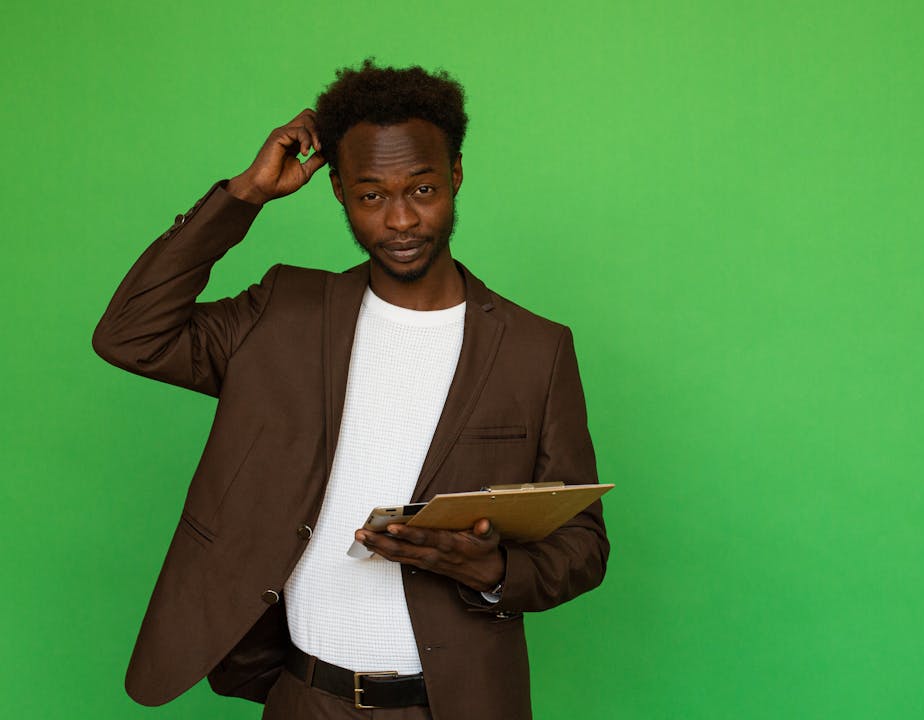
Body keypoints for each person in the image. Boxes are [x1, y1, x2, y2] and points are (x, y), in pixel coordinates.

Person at [92, 60, 609, 720]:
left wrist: (495, 571)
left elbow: (584, 544)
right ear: (337, 189)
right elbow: (130, 335)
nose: (400, 219)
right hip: (305, 699)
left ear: (455, 174)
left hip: (457, 705)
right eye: (372, 196)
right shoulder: (283, 313)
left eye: (422, 189)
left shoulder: (536, 350)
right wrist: (244, 194)